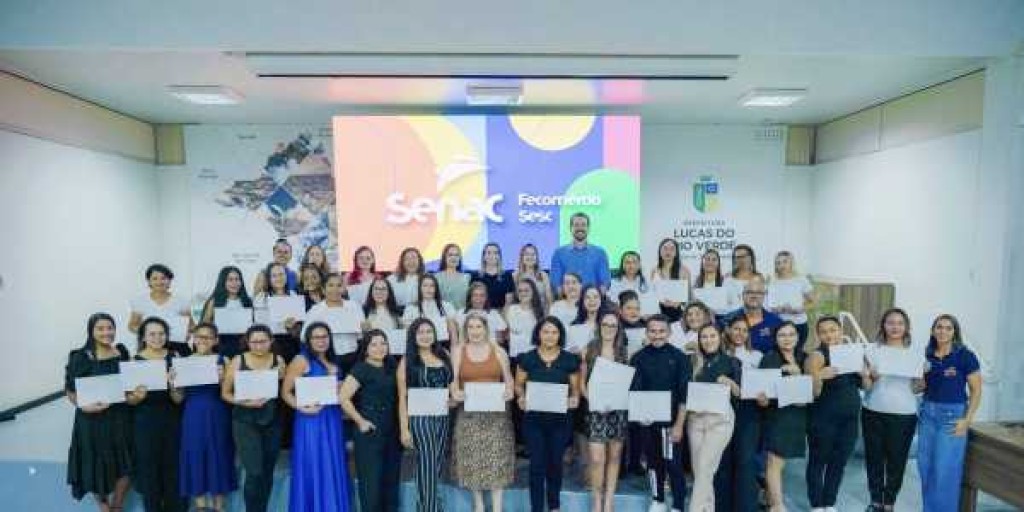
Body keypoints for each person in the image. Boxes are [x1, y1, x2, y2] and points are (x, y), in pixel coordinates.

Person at [64, 313, 133, 511]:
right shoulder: (80, 356)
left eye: (110, 328)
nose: (106, 332)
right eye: (100, 328)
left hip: (121, 417)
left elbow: (129, 382)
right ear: (91, 331)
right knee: (94, 464)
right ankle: (103, 506)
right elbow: (70, 391)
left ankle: (117, 506)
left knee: (125, 463)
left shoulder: (122, 352)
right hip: (91, 421)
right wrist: (83, 405)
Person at [281, 322, 352, 512]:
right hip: (310, 420)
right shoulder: (301, 360)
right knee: (313, 464)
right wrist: (302, 408)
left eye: (324, 337)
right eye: (316, 337)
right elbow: (285, 392)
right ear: (308, 340)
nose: (321, 341)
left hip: (332, 418)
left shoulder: (333, 361)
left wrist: (340, 387)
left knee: (332, 463)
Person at [515, 316, 582, 512]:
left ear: (560, 335)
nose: (550, 336)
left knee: (555, 464)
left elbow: (575, 390)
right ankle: (536, 508)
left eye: (554, 332)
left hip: (560, 421)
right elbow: (518, 385)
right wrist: (521, 397)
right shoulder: (527, 358)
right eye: (546, 332)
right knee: (536, 465)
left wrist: (574, 399)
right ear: (538, 334)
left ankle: (554, 506)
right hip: (533, 421)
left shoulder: (569, 360)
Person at [451, 313, 516, 512]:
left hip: (496, 414)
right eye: (470, 327)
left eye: (478, 327)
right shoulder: (458, 351)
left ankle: (497, 507)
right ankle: (478, 505)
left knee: (497, 457)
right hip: (468, 414)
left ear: (485, 329)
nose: (474, 331)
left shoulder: (499, 351)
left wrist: (509, 391)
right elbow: (453, 380)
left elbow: (509, 380)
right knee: (473, 457)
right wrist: (455, 391)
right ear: (465, 330)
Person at [804, 316, 869, 512]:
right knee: (818, 461)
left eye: (832, 330)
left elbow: (866, 386)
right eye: (823, 332)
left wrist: (864, 374)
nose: (829, 335)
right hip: (823, 418)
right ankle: (817, 504)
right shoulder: (817, 356)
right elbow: (810, 391)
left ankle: (829, 503)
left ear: (840, 331)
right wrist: (819, 376)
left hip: (849, 420)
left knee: (839, 462)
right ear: (818, 335)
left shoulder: (852, 354)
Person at [917, 314, 982, 512]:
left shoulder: (965, 356)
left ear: (955, 332)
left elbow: (976, 390)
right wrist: (919, 379)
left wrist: (967, 420)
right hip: (927, 414)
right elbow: (918, 387)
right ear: (932, 330)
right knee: (925, 468)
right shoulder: (926, 355)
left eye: (948, 328)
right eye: (939, 327)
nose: (943, 331)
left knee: (944, 472)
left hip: (952, 418)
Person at [630, 314, 691, 512]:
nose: (657, 335)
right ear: (646, 333)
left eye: (661, 331)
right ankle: (658, 500)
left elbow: (684, 395)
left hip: (671, 424)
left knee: (673, 464)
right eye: (653, 331)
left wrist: (679, 425)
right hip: (647, 422)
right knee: (653, 463)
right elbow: (635, 392)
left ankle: (678, 505)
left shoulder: (680, 358)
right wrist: (641, 416)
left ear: (669, 332)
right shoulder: (638, 358)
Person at [862, 308, 922, 512]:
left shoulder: (915, 353)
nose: (895, 327)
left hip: (904, 413)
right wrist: (870, 377)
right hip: (873, 410)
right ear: (883, 326)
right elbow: (866, 386)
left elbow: (917, 388)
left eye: (899, 323)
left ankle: (889, 503)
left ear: (906, 327)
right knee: (874, 459)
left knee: (897, 461)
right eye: (890, 323)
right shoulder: (871, 350)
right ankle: (875, 501)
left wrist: (922, 378)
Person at [221, 325, 285, 512]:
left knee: (267, 471)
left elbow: (284, 390)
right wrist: (244, 402)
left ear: (271, 341)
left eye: (263, 341)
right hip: (245, 421)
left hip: (272, 419)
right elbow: (225, 393)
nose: (258, 346)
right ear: (247, 342)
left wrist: (281, 375)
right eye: (254, 342)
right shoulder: (238, 361)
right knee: (254, 471)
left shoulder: (278, 359)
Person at [126, 317, 187, 512]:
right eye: (152, 334)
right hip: (145, 422)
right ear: (143, 337)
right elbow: (129, 400)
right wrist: (137, 396)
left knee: (173, 467)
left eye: (161, 334)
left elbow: (179, 399)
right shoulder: (134, 361)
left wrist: (173, 386)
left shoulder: (175, 356)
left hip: (172, 420)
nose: (157, 338)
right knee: (148, 468)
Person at [339, 330, 402, 512]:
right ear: (366, 348)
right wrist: (360, 421)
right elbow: (343, 398)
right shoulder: (360, 369)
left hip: (392, 430)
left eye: (383, 343)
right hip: (369, 431)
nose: (379, 348)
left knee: (391, 484)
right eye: (374, 344)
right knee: (371, 485)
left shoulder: (392, 367)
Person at [177, 323, 237, 512]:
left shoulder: (224, 360)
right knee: (195, 455)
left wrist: (223, 379)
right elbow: (178, 398)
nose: (203, 340)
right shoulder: (183, 362)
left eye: (208, 337)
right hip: (192, 415)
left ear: (216, 340)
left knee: (219, 455)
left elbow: (232, 392)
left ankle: (219, 507)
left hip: (218, 413)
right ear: (193, 339)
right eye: (199, 337)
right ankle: (200, 506)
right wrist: (173, 384)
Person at [398, 318, 455, 512]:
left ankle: (426, 506)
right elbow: (402, 398)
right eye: (420, 332)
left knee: (435, 465)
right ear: (413, 336)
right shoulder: (407, 361)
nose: (425, 336)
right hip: (420, 419)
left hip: (442, 417)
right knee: (427, 464)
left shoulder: (444, 354)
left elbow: (451, 387)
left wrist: (454, 400)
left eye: (429, 331)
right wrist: (404, 429)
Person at [688, 323, 741, 512]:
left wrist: (729, 383)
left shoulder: (732, 362)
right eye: (704, 337)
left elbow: (740, 393)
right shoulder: (692, 361)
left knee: (704, 467)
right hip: (695, 419)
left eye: (712, 336)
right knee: (701, 471)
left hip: (720, 420)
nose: (708, 340)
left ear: (720, 338)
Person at [580, 312, 630, 512]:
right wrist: (594, 400)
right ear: (599, 327)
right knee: (596, 458)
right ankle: (597, 500)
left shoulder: (624, 352)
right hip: (596, 411)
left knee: (615, 456)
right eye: (605, 325)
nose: (609, 329)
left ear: (618, 329)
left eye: (613, 325)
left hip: (618, 411)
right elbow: (582, 385)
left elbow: (627, 382)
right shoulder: (589, 350)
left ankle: (609, 500)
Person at [713, 316, 764, 512]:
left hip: (748, 412)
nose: (740, 333)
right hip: (722, 410)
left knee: (745, 460)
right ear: (728, 331)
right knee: (723, 460)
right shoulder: (719, 353)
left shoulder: (757, 356)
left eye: (744, 330)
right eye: (736, 329)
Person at [756, 322, 807, 512]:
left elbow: (809, 393)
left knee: (781, 461)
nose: (787, 338)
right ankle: (777, 506)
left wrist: (798, 373)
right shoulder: (769, 359)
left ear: (798, 337)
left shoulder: (804, 358)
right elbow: (764, 392)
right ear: (775, 339)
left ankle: (769, 497)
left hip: (798, 416)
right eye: (782, 335)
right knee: (774, 460)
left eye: (791, 334)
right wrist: (762, 399)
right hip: (776, 415)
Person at [302, 272, 365, 371]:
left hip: (353, 356)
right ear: (323, 289)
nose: (335, 289)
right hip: (327, 358)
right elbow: (304, 336)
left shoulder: (354, 306)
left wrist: (365, 329)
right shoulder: (316, 310)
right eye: (331, 285)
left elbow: (361, 334)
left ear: (343, 288)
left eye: (339, 285)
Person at [128, 263, 193, 356]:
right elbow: (132, 325)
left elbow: (191, 325)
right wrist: (148, 334)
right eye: (155, 278)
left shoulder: (181, 301)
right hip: (150, 348)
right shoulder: (140, 301)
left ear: (169, 281)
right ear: (149, 281)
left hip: (177, 346)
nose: (159, 282)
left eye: (163, 278)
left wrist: (187, 333)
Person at [200, 266, 254, 359]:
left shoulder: (247, 301)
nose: (234, 283)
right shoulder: (214, 301)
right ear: (223, 282)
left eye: (237, 279)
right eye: (230, 280)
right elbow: (205, 325)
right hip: (220, 346)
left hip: (243, 345)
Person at [550, 212, 611, 292]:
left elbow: (605, 283)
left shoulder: (600, 253)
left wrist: (593, 299)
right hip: (567, 299)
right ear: (570, 228)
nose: (580, 228)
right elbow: (556, 284)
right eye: (576, 225)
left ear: (588, 228)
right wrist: (569, 299)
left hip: (593, 299)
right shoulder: (559, 253)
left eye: (583, 225)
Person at [765, 251, 815, 350]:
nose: (781, 265)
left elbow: (812, 302)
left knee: (797, 353)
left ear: (791, 263)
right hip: (778, 325)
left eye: (785, 261)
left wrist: (799, 310)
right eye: (778, 263)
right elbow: (766, 304)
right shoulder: (771, 281)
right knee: (779, 353)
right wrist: (776, 309)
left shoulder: (801, 280)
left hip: (799, 324)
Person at [724, 276, 783, 354]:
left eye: (759, 293)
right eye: (749, 292)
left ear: (764, 296)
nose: (754, 296)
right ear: (743, 295)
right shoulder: (728, 319)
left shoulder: (776, 322)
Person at [402, 274, 459, 346]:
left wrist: (454, 350)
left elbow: (454, 331)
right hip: (419, 346)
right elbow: (408, 332)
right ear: (420, 288)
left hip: (442, 345)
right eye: (425, 286)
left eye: (432, 286)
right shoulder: (411, 308)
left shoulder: (446, 306)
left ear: (436, 288)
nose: (428, 289)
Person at [651, 238, 692, 323]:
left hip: (676, 312)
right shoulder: (654, 270)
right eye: (665, 248)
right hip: (657, 311)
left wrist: (678, 302)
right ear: (660, 251)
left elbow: (688, 296)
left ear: (676, 253)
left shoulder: (684, 270)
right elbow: (652, 293)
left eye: (672, 249)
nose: (668, 252)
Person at [505, 278, 545, 359]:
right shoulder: (511, 309)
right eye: (520, 291)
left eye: (526, 290)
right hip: (515, 356)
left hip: (535, 356)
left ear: (533, 292)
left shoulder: (540, 311)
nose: (523, 293)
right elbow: (507, 333)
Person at [471, 242, 516, 310]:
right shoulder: (476, 276)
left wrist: (501, 315)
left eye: (495, 253)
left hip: (501, 313)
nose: (492, 256)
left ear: (499, 256)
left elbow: (509, 302)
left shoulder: (507, 276)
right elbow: (472, 300)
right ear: (484, 257)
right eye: (489, 253)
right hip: (480, 313)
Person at [692, 249, 734, 319]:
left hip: (721, 319)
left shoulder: (726, 281)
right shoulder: (696, 282)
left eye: (714, 260)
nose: (710, 262)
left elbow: (731, 305)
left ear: (718, 263)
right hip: (701, 318)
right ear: (702, 262)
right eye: (707, 259)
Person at [514, 243, 554, 308]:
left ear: (536, 258)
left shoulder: (543, 275)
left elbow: (549, 299)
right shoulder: (516, 276)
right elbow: (514, 299)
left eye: (533, 254)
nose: (530, 257)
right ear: (522, 257)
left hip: (541, 311)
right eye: (527, 254)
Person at [434, 243, 472, 310]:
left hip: (461, 315)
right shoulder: (436, 277)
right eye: (450, 255)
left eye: (456, 255)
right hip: (442, 314)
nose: (453, 258)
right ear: (444, 258)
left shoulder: (467, 278)